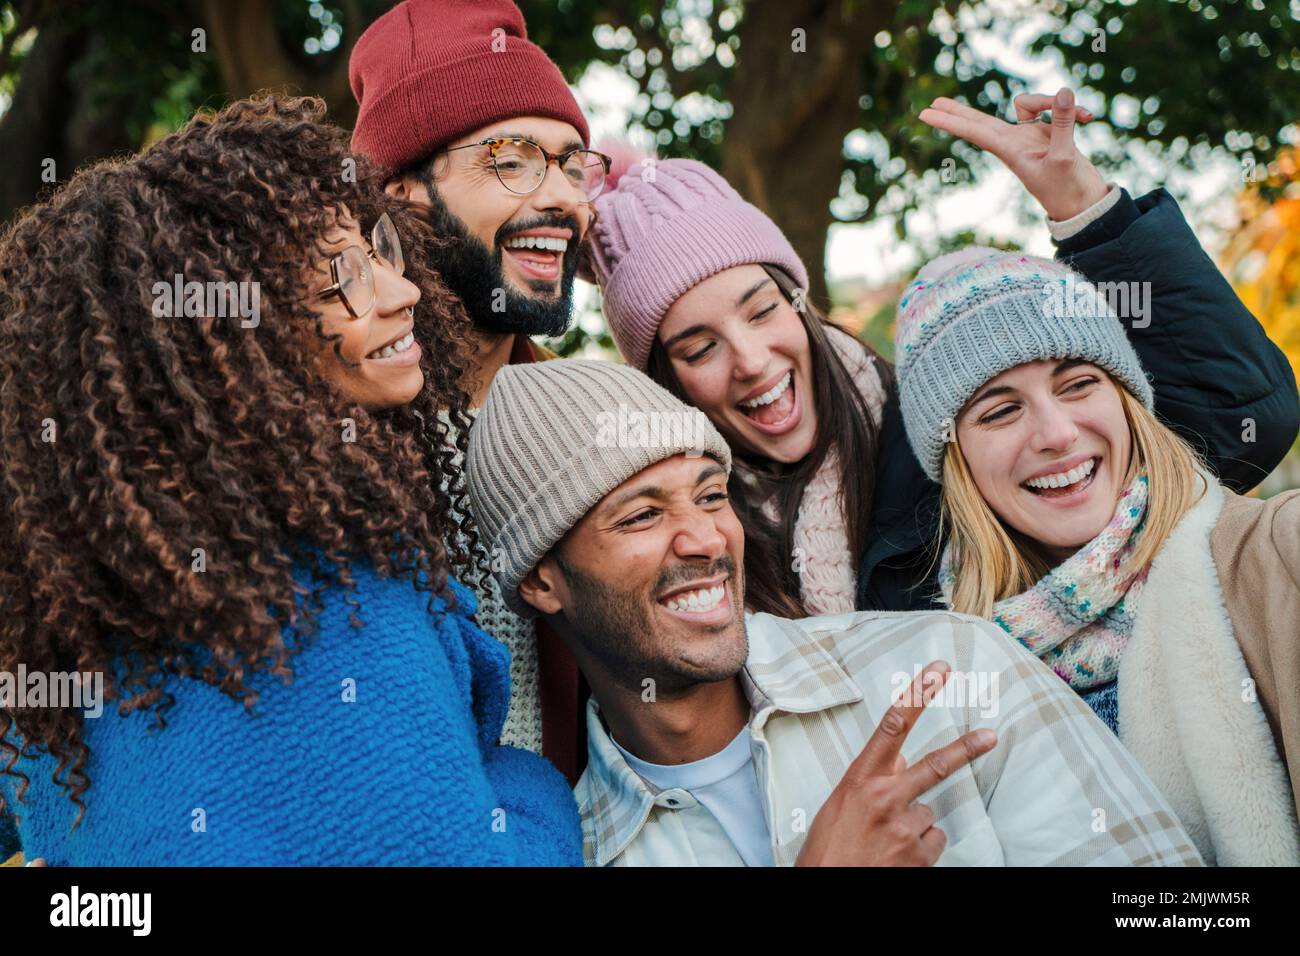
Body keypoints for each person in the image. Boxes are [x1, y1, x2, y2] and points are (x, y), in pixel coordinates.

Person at [0, 95, 581, 866]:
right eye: (342, 278)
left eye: (379, 252)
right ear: (225, 346)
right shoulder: (343, 608)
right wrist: (525, 785)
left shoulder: (55, 647)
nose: (402, 292)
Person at [583, 88, 1299, 619]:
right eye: (699, 346)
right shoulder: (692, 529)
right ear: (665, 380)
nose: (750, 359)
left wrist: (1088, 210)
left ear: (799, 305)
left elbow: (1241, 416)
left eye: (762, 309)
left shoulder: (937, 424)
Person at [464, 358, 1202, 866]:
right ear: (541, 582)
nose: (703, 540)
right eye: (639, 517)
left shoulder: (948, 669)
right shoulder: (586, 848)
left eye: (711, 495)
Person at [892, 246, 1300, 866]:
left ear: (1127, 399)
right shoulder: (948, 677)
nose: (1056, 433)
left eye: (1079, 383)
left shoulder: (1274, 557)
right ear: (957, 464)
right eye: (1000, 411)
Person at [348, 0, 609, 777]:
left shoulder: (587, 431)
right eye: (515, 159)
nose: (565, 197)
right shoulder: (314, 446)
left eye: (571, 163)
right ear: (400, 194)